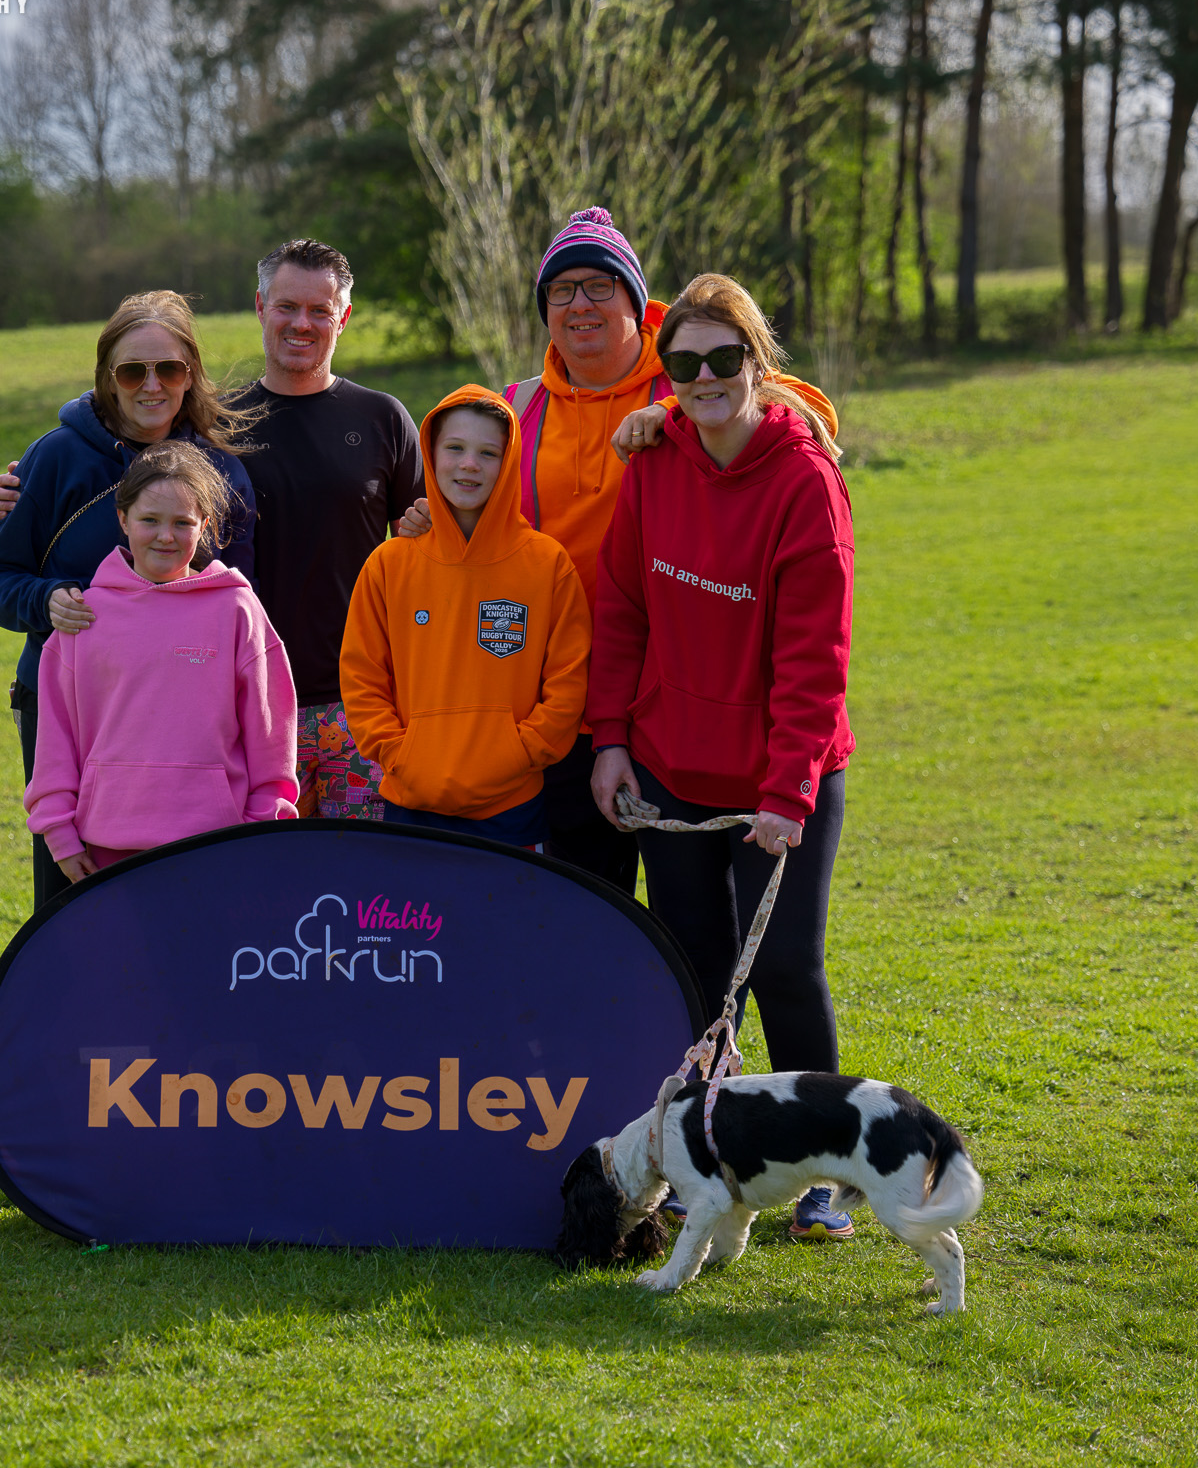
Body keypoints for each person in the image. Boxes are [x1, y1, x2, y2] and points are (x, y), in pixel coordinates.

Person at [396, 208, 838, 896]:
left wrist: (669, 411)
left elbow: (803, 410)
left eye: (600, 286)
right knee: (579, 911)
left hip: (684, 710)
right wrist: (435, 519)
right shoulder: (517, 408)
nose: (580, 304)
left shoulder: (689, 376)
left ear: (637, 301)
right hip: (562, 708)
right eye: (561, 290)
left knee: (696, 930)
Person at [586, 273, 856, 1240]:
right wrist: (612, 740)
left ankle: (827, 1170)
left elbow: (814, 658)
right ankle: (716, 1150)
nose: (705, 379)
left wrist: (787, 791)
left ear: (756, 360)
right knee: (697, 973)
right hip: (668, 762)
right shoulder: (655, 459)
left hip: (783, 776)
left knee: (784, 965)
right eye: (684, 363)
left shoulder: (803, 483)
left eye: (724, 359)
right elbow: (619, 610)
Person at [0, 240, 423, 823]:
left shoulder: (354, 424)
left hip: (331, 701)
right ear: (259, 306)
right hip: (154, 703)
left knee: (345, 882)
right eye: (287, 306)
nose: (302, 323)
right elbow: (0, 575)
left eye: (320, 310)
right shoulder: (188, 437)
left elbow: (424, 545)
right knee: (118, 878)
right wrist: (35, 558)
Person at [0, 290, 258, 911]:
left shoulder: (223, 472)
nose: (151, 385)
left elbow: (244, 609)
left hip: (186, 723)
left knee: (189, 903)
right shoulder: (54, 458)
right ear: (107, 378)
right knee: (71, 894)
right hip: (68, 709)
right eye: (132, 370)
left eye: (170, 369)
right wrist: (48, 600)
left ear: (192, 376)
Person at [27, 445, 297, 879]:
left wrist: (260, 828)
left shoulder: (237, 610)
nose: (165, 536)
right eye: (149, 520)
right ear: (123, 519)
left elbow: (271, 736)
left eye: (182, 523)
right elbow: (56, 737)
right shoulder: (85, 614)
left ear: (204, 526)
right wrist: (59, 832)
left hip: (217, 846)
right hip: (103, 849)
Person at [338, 386, 589, 849]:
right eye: (454, 448)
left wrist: (521, 753)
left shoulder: (546, 564)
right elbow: (362, 678)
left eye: (488, 453)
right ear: (431, 456)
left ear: (509, 462)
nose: (469, 464)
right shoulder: (390, 564)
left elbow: (568, 682)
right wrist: (398, 753)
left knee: (505, 924)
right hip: (410, 803)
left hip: (510, 808)